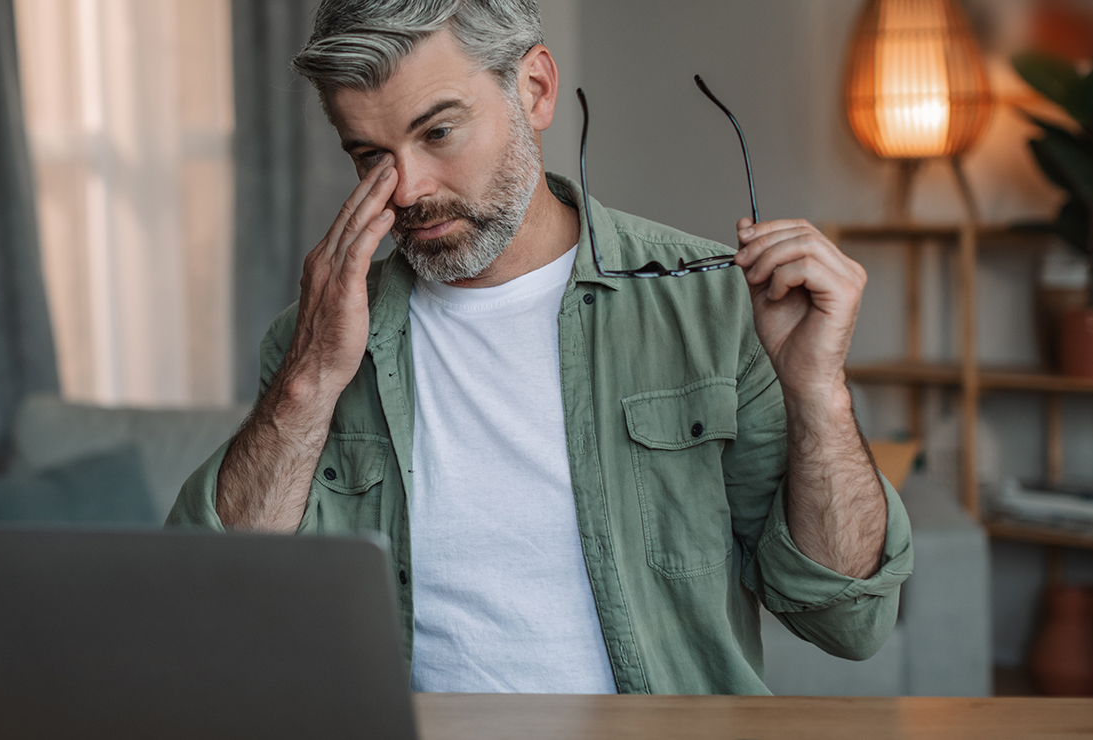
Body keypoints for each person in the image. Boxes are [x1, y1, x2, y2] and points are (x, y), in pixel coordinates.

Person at [169, 0, 912, 695]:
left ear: (535, 87)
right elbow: (213, 617)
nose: (405, 190)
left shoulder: (713, 308)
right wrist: (308, 382)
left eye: (437, 132)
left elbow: (848, 620)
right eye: (369, 155)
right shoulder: (316, 344)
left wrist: (818, 389)